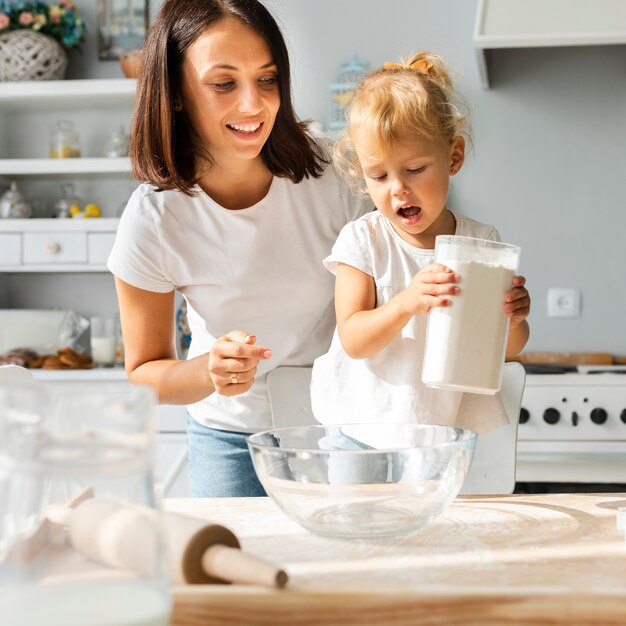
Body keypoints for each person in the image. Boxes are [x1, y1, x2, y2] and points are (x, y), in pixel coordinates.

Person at [107, 0, 370, 497]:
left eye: (267, 79)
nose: (253, 105)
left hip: (339, 425)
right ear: (177, 92)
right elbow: (145, 372)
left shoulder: (335, 178)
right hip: (230, 437)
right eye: (224, 83)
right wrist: (208, 371)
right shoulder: (154, 219)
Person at [311, 52, 531, 434]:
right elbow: (354, 340)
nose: (398, 188)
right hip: (360, 429)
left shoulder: (478, 243)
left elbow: (508, 349)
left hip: (440, 434)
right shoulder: (363, 240)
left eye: (414, 169)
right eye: (378, 176)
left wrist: (513, 319)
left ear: (454, 156)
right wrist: (406, 302)